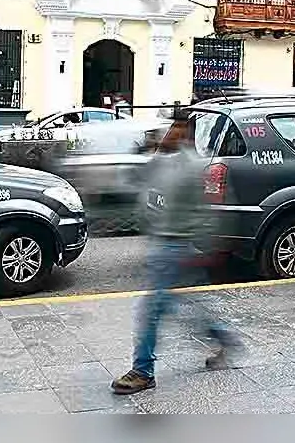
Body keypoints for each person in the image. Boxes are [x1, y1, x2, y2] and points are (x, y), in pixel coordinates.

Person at [110, 115, 242, 395]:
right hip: (164, 246)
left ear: (184, 134)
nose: (166, 133)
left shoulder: (192, 167)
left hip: (179, 248)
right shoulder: (164, 162)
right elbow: (143, 190)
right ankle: (225, 338)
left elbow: (211, 209)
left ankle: (143, 371)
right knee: (187, 307)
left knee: (151, 310)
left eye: (174, 129)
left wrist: (210, 248)